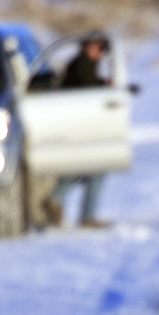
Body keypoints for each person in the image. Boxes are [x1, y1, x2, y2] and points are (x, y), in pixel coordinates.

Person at [51, 36, 111, 228]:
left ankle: (56, 199)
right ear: (87, 47)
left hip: (77, 121)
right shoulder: (81, 64)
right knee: (95, 166)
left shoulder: (84, 64)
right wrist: (103, 86)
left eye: (102, 49)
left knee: (83, 166)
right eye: (97, 47)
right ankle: (85, 214)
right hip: (78, 122)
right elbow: (87, 90)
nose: (100, 52)